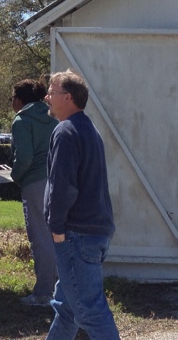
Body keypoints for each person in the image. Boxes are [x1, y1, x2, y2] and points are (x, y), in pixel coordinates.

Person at [43, 69, 120, 340]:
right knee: (67, 310)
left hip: (76, 235)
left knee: (90, 312)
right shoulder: (89, 129)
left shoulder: (65, 132)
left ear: (68, 97)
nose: (47, 97)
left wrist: (56, 228)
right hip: (95, 233)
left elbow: (61, 186)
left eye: (51, 92)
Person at [10, 78, 59, 307]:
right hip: (58, 180)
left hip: (35, 183)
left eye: (12, 99)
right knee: (58, 236)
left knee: (40, 238)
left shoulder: (21, 120)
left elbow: (25, 158)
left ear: (19, 100)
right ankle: (62, 291)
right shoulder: (52, 114)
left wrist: (15, 176)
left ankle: (43, 294)